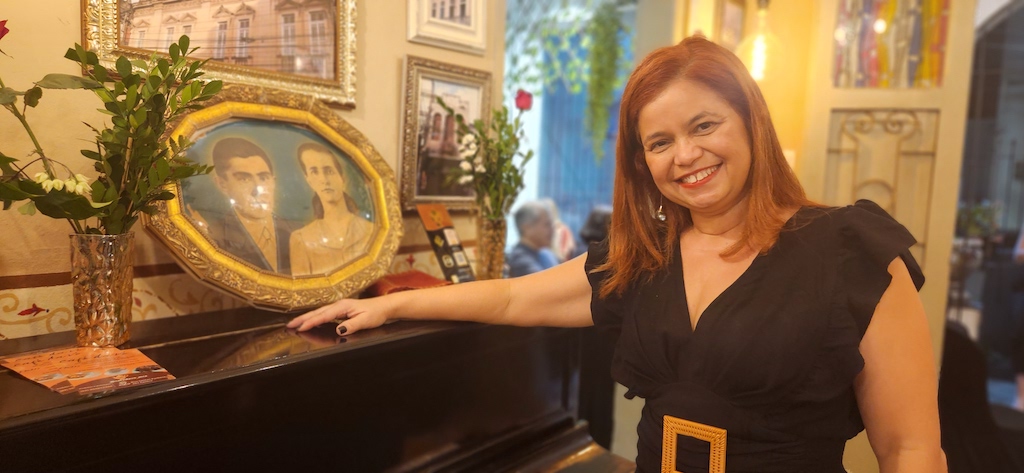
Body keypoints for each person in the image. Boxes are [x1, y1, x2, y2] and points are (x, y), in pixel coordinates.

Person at [288, 37, 945, 472]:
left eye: (704, 125)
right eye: (659, 142)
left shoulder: (850, 252)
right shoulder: (645, 260)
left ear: (752, 122)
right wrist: (393, 304)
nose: (685, 155)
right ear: (641, 163)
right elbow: (513, 297)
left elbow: (911, 448)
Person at [201, 137, 295, 274]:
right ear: (222, 184)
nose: (257, 190)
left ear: (273, 181)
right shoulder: (213, 237)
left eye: (263, 178)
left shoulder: (297, 232)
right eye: (244, 179)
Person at [289, 142, 375, 276]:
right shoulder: (301, 239)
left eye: (329, 171)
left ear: (342, 178)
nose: (324, 179)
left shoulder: (370, 231)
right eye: (314, 172)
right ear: (309, 180)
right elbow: (302, 287)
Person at [507, 201, 559, 277]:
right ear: (526, 228)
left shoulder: (546, 254)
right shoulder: (520, 260)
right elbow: (546, 282)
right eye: (547, 224)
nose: (552, 230)